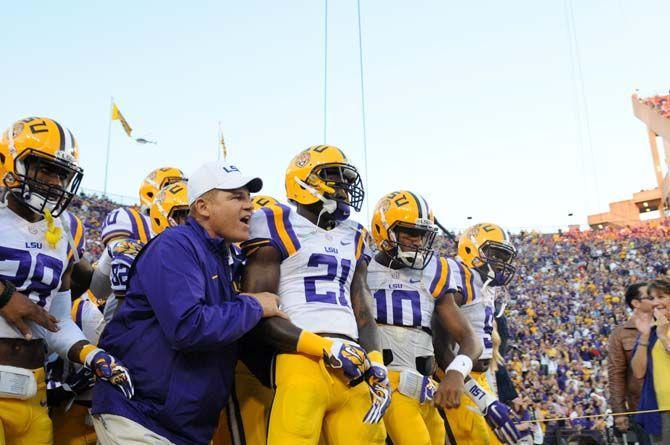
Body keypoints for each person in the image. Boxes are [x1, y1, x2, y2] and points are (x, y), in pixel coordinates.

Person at [91, 161, 284, 444]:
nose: (249, 206)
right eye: (236, 197)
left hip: (182, 425)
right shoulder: (176, 244)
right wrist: (255, 306)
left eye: (248, 197)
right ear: (203, 207)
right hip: (139, 416)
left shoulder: (218, 257)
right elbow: (187, 327)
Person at [241, 145, 390, 445]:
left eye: (346, 178)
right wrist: (325, 347)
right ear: (302, 181)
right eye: (333, 176)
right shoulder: (275, 222)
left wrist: (376, 362)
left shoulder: (355, 234)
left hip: (353, 363)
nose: (344, 186)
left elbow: (362, 311)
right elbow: (258, 311)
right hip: (301, 357)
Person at [0, 117, 132, 444]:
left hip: (33, 386)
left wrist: (91, 355)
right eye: (45, 169)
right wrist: (4, 296)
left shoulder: (63, 232)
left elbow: (55, 320)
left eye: (62, 174)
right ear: (11, 161)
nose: (56, 182)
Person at [365, 190, 483, 444]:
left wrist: (456, 373)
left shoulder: (435, 270)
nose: (418, 242)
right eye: (410, 232)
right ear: (383, 229)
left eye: (423, 235)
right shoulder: (362, 268)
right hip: (388, 383)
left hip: (426, 389)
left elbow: (470, 340)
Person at [438, 222, 524, 445]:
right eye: (495, 254)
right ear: (470, 250)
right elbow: (442, 345)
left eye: (504, 257)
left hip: (479, 377)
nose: (501, 262)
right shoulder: (459, 275)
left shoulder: (487, 286)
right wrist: (481, 396)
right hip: (459, 377)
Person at [607, 282, 652, 444]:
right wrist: (619, 412)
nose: (656, 300)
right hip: (643, 407)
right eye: (650, 296)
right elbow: (616, 374)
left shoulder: (665, 326)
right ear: (636, 303)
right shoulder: (620, 334)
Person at [632, 279, 670, 444]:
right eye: (652, 299)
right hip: (660, 409)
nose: (656, 303)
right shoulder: (650, 331)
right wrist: (645, 336)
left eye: (661, 296)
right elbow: (639, 372)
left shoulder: (660, 333)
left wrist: (664, 338)